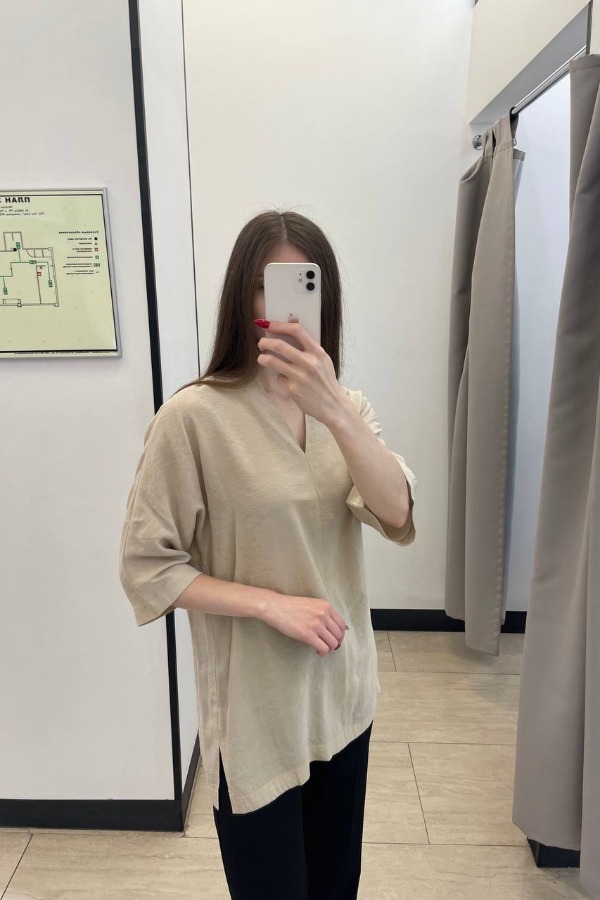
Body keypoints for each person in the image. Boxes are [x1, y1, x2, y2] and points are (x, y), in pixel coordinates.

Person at [119, 210, 417, 899]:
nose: (281, 306)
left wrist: (335, 410)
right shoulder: (193, 418)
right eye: (263, 285)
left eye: (301, 284)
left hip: (343, 696)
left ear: (325, 298)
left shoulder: (349, 409)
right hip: (256, 715)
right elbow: (147, 564)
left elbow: (398, 513)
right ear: (240, 298)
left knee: (337, 885)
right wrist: (269, 605)